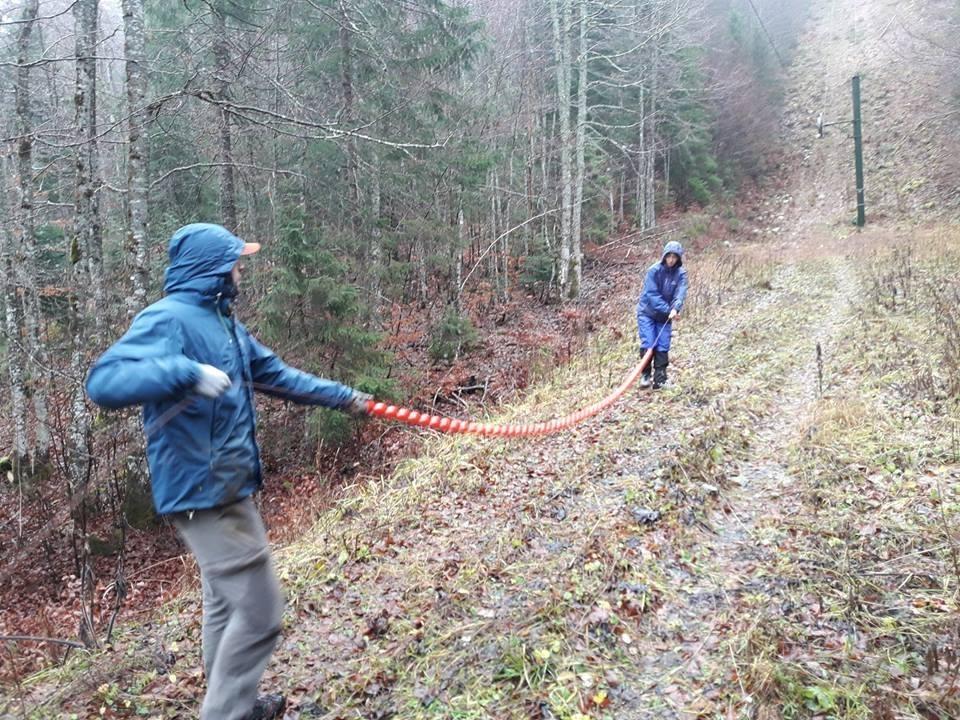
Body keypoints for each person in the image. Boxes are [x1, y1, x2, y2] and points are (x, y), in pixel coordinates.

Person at [86, 223, 372, 720]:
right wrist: (185, 372)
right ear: (213, 269)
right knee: (261, 617)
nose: (241, 271)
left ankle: (237, 704)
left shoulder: (223, 324)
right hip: (203, 495)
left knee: (223, 603)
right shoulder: (167, 320)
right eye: (237, 263)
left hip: (228, 487)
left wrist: (344, 397)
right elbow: (104, 382)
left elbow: (276, 376)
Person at [636, 240, 688, 389]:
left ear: (678, 258)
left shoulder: (681, 274)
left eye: (675, 257)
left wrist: (676, 308)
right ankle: (645, 375)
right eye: (669, 256)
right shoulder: (654, 271)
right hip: (647, 313)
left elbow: (680, 292)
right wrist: (668, 309)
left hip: (665, 317)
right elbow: (651, 294)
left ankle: (660, 379)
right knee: (649, 343)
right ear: (664, 256)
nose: (671, 260)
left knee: (663, 345)